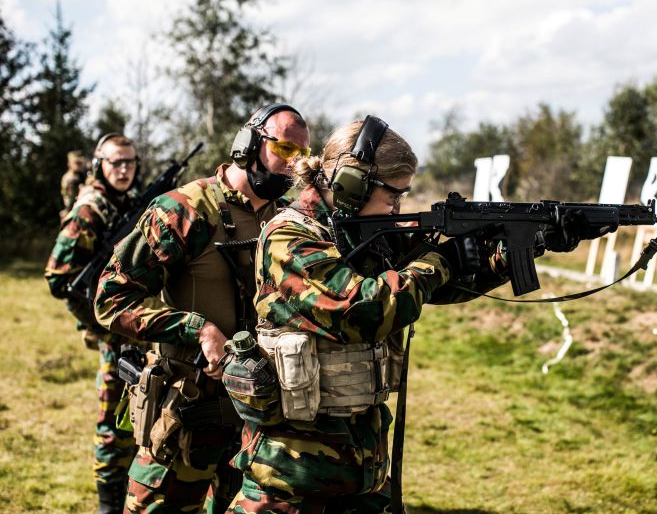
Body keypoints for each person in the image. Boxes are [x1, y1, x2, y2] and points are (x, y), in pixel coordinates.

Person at [221, 116, 543, 513]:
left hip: (363, 475)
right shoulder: (291, 236)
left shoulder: (363, 232)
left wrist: (514, 251)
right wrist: (440, 262)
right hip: (291, 482)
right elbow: (362, 309)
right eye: (393, 195)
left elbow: (437, 286)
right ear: (352, 184)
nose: (398, 206)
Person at [93, 103, 310, 513]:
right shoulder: (184, 209)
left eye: (302, 154)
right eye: (284, 149)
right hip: (187, 409)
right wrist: (198, 329)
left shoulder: (287, 219)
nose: (293, 164)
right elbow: (112, 298)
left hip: (258, 414)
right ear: (248, 144)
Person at [45, 134, 142, 513]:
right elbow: (58, 277)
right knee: (113, 423)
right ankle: (108, 504)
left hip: (133, 328)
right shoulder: (90, 209)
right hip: (115, 332)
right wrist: (100, 322)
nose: (123, 169)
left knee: (136, 417)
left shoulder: (126, 201)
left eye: (130, 162)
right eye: (115, 162)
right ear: (99, 164)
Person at [60, 150, 88, 221]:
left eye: (80, 163)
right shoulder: (70, 179)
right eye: (77, 163)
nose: (79, 165)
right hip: (73, 210)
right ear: (69, 164)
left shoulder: (79, 175)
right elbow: (70, 200)